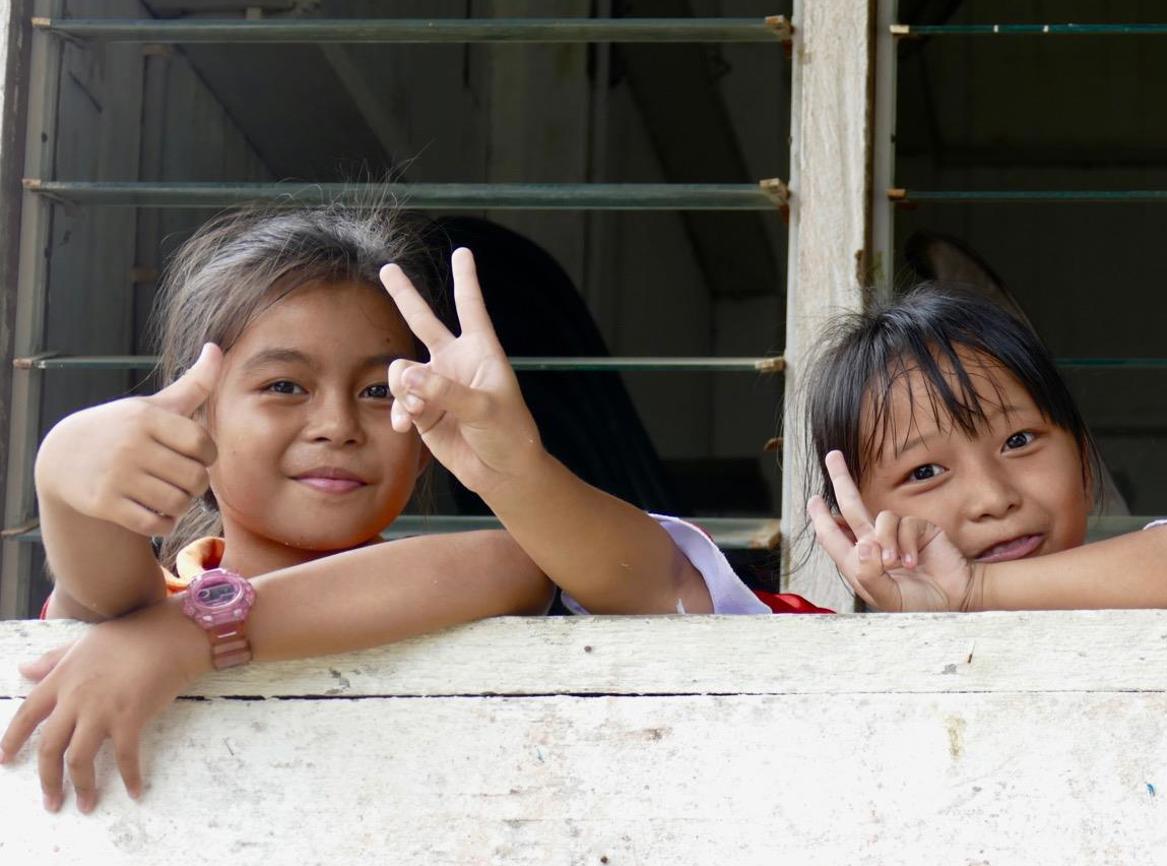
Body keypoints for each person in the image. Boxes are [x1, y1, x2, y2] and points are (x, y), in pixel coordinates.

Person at [1, 205, 802, 815]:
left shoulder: (455, 582)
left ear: (420, 439)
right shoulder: (146, 610)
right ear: (195, 414)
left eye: (379, 391)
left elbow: (513, 562)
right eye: (284, 385)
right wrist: (62, 476)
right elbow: (100, 597)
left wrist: (192, 637)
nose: (336, 425)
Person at [801, 286, 1167, 612]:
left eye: (1018, 441)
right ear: (850, 532)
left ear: (1084, 458)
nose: (994, 499)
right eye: (925, 471)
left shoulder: (1148, 585)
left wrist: (974, 589)